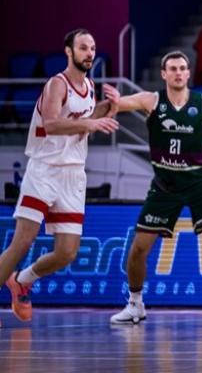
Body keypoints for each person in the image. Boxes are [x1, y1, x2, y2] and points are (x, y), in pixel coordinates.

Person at [110, 51, 202, 326]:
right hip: (165, 185)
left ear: (188, 74)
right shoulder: (151, 101)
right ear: (164, 74)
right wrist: (110, 104)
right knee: (139, 248)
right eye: (172, 68)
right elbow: (117, 105)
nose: (178, 72)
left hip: (199, 182)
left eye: (183, 68)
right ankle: (135, 304)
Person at [0, 29, 119, 323]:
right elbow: (53, 124)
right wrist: (91, 125)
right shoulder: (58, 83)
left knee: (67, 252)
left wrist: (111, 107)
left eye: (92, 48)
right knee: (23, 241)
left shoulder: (90, 86)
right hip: (44, 169)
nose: (89, 53)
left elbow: (87, 117)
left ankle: (23, 280)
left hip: (73, 174)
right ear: (69, 51)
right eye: (83, 47)